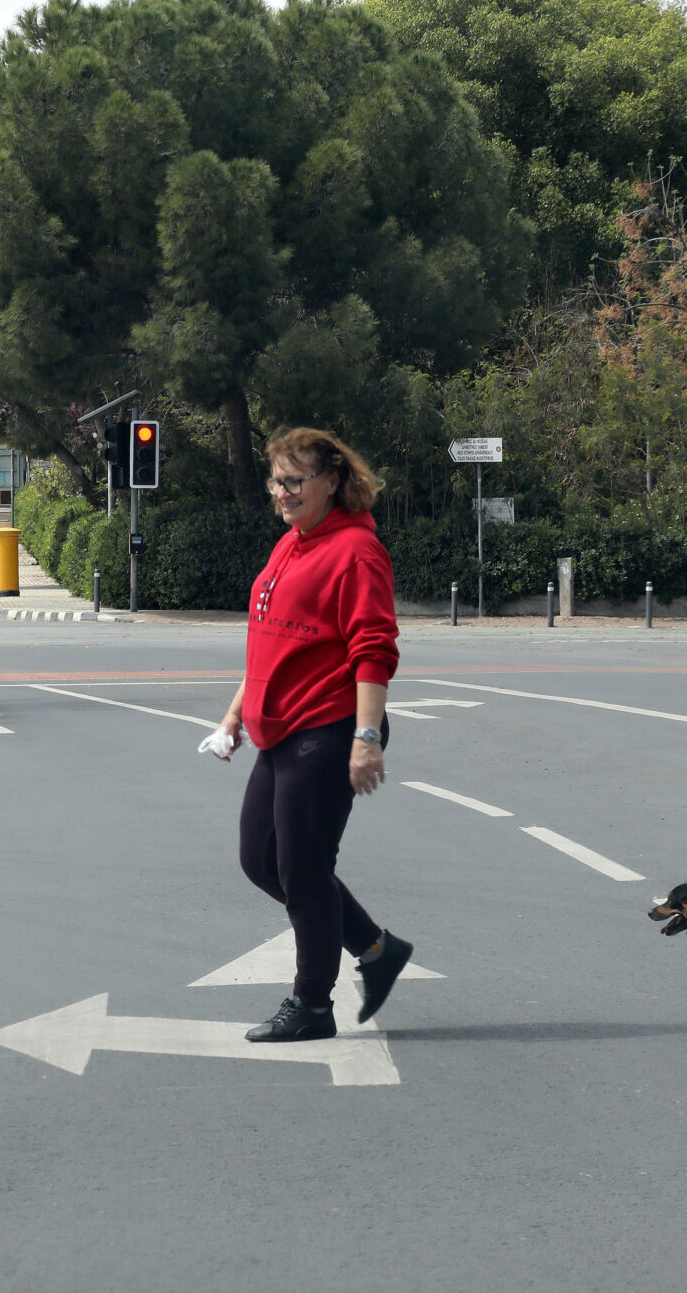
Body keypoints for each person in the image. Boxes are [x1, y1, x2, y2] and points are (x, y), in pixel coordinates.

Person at [209, 427, 411, 1043]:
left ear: (332, 480)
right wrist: (235, 712)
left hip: (328, 727)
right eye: (276, 479)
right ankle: (376, 951)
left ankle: (313, 1005)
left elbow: (374, 648)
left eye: (295, 480)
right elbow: (271, 638)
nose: (282, 491)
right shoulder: (291, 545)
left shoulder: (355, 550)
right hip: (278, 729)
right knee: (260, 859)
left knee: (302, 868)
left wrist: (367, 734)